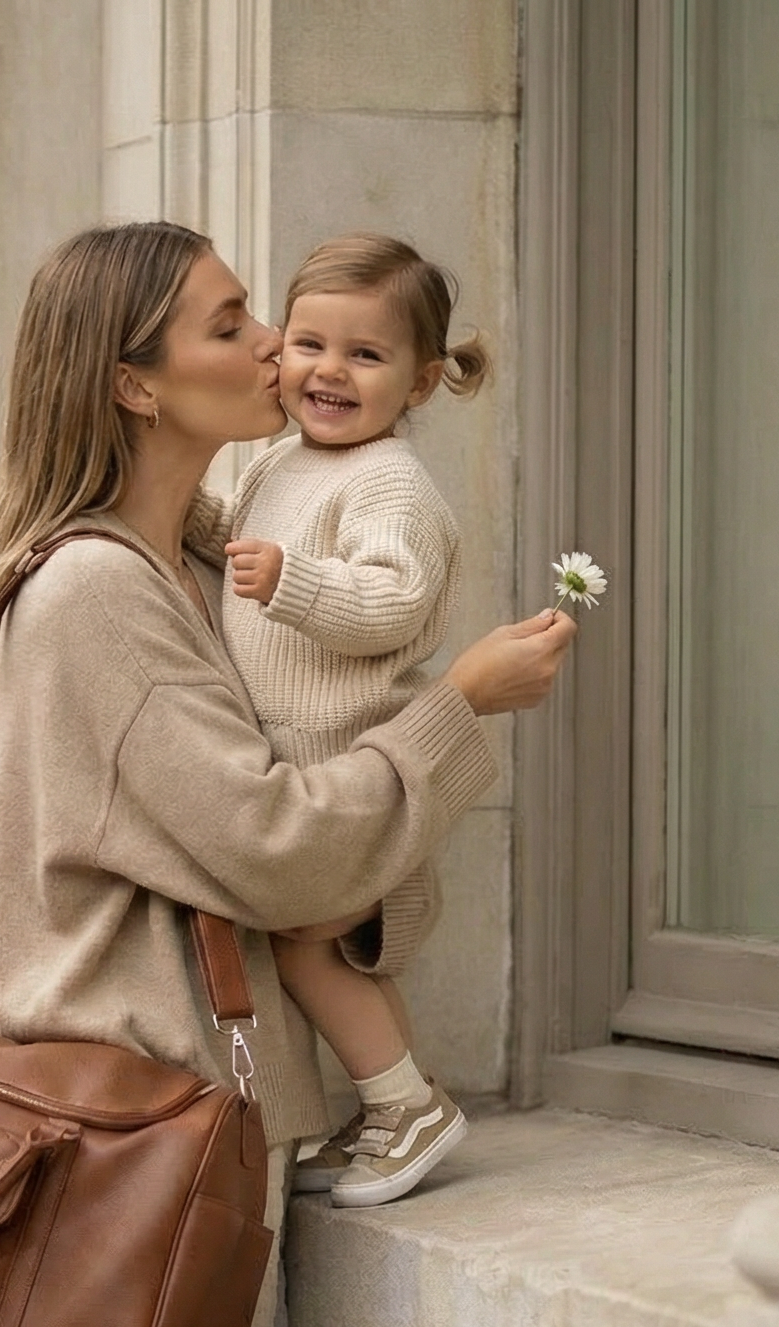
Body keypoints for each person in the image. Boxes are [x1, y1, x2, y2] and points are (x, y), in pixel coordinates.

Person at [0, 220, 576, 1327]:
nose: (277, 353)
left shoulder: (181, 563)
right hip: (142, 1159)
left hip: (179, 1150)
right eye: (234, 326)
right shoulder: (99, 591)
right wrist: (456, 709)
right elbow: (278, 851)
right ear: (136, 386)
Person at [218, 232, 493, 1209]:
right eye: (309, 344)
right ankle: (388, 1103)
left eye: (365, 356)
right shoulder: (274, 465)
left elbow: (396, 603)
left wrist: (295, 583)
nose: (329, 371)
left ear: (419, 385)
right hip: (290, 773)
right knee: (310, 948)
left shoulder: (389, 482)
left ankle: (407, 1104)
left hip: (354, 772)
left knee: (299, 941)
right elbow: (234, 552)